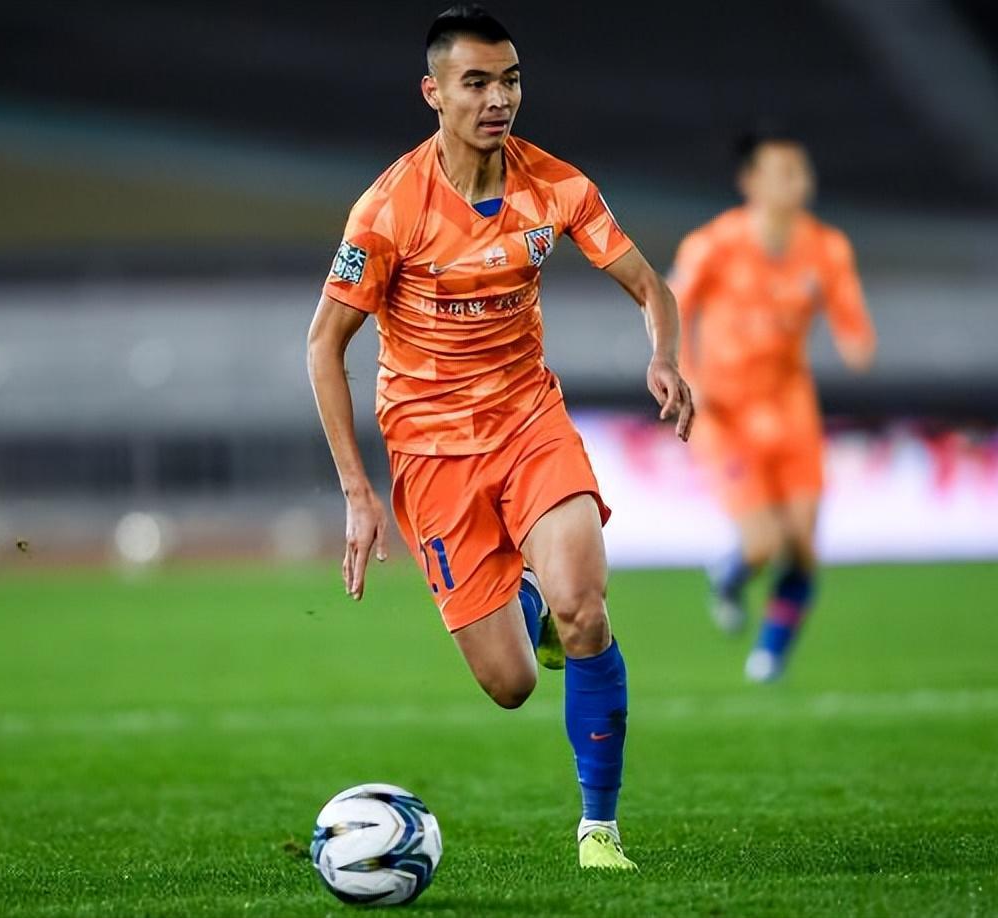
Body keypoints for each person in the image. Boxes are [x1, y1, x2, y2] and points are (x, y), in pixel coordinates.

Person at [306, 3, 693, 870]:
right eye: (476, 82)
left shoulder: (556, 186)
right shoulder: (388, 209)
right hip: (431, 452)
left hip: (528, 422)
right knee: (512, 684)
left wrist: (664, 356)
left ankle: (599, 830)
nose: (498, 99)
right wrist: (359, 494)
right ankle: (526, 605)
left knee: (585, 606)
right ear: (433, 93)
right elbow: (324, 345)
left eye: (510, 80)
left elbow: (649, 286)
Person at [671, 130, 875, 682]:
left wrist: (856, 340)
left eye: (801, 171)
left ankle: (770, 654)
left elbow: (851, 317)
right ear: (751, 182)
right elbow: (671, 306)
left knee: (803, 547)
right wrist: (686, 374)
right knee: (763, 542)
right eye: (784, 171)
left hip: (791, 408)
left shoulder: (827, 247)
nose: (797, 182)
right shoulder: (713, 245)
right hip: (726, 413)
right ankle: (729, 575)